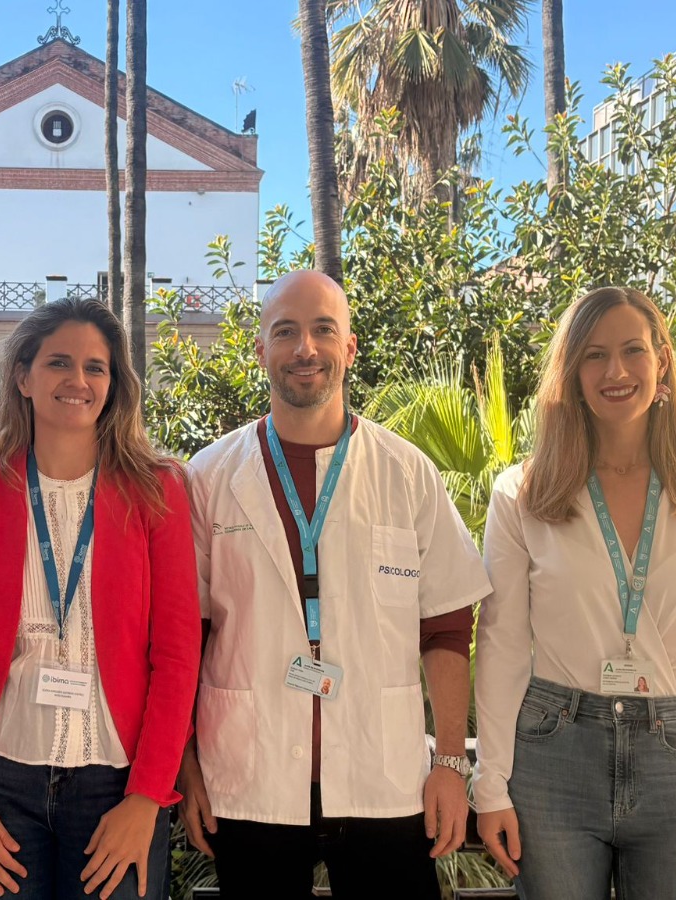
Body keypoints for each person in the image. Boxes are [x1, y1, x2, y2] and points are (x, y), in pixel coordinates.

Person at [178, 270, 491, 900]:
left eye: (323, 330)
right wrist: (186, 767)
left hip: (384, 775)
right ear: (261, 350)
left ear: (349, 347)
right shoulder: (209, 477)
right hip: (250, 775)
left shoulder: (406, 473)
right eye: (285, 332)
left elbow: (447, 628)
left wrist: (451, 762)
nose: (305, 349)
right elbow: (187, 634)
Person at [473, 286, 676, 899]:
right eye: (594, 355)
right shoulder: (523, 495)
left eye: (633, 350)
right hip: (553, 758)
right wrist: (489, 784)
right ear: (572, 374)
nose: (616, 371)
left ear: (662, 363)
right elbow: (501, 644)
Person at [0, 298, 200, 900]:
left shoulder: (158, 490)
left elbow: (178, 656)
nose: (78, 380)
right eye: (59, 363)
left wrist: (147, 798)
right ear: (23, 377)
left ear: (113, 384)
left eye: (95, 367)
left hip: (116, 787)